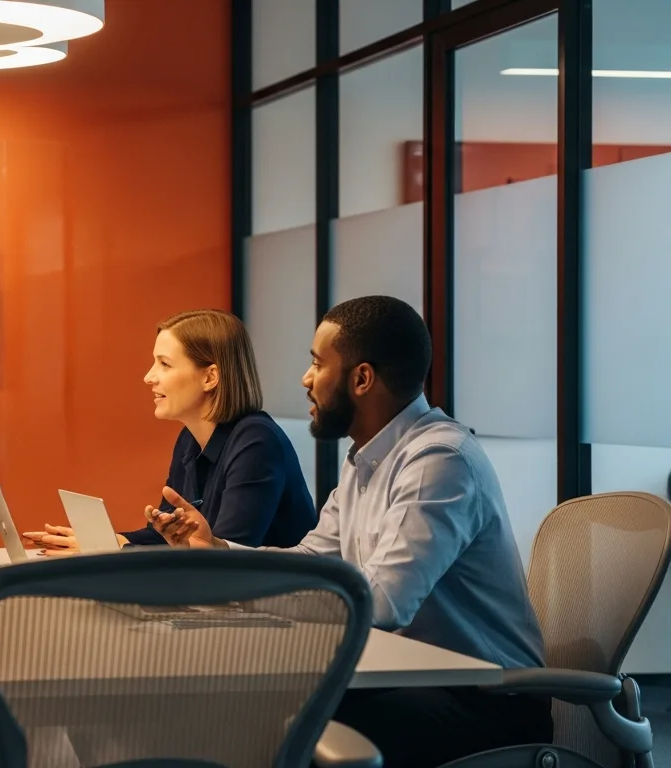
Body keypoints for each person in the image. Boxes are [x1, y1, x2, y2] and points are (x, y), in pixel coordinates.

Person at [151, 295, 550, 768]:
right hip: (406, 678)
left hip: (484, 701)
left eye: (318, 364)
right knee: (243, 712)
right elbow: (314, 559)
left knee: (274, 728)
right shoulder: (365, 459)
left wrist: (265, 597)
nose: (306, 379)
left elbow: (382, 603)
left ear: (361, 379)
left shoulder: (438, 460)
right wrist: (220, 551)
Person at [22, 309, 315, 553]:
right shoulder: (189, 438)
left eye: (164, 364)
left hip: (276, 601)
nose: (149, 377)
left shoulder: (256, 442)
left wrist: (111, 551)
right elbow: (165, 537)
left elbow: (226, 554)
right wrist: (103, 542)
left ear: (210, 377)